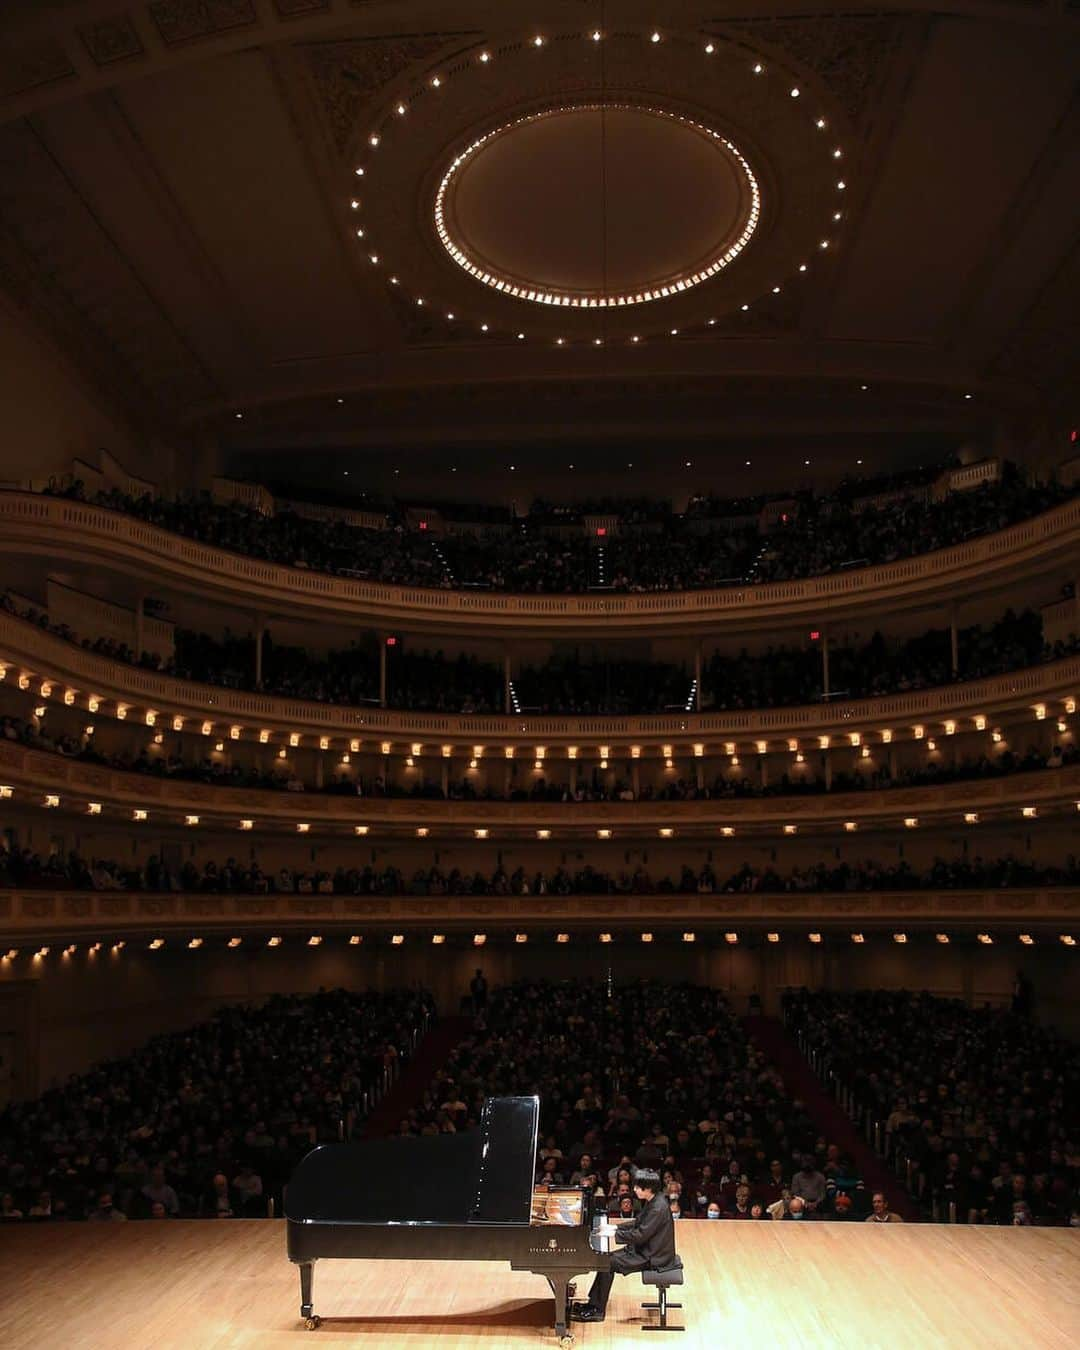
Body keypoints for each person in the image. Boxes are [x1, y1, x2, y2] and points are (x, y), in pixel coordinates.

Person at [573, 1172, 677, 1324]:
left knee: (606, 1263)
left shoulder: (657, 1208)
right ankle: (593, 1304)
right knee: (604, 1261)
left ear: (648, 1189)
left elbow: (640, 1234)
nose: (634, 1189)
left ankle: (597, 1311)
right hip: (647, 1249)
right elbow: (638, 1222)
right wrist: (614, 1227)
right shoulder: (654, 1199)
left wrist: (614, 1234)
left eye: (638, 1187)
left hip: (654, 1256)